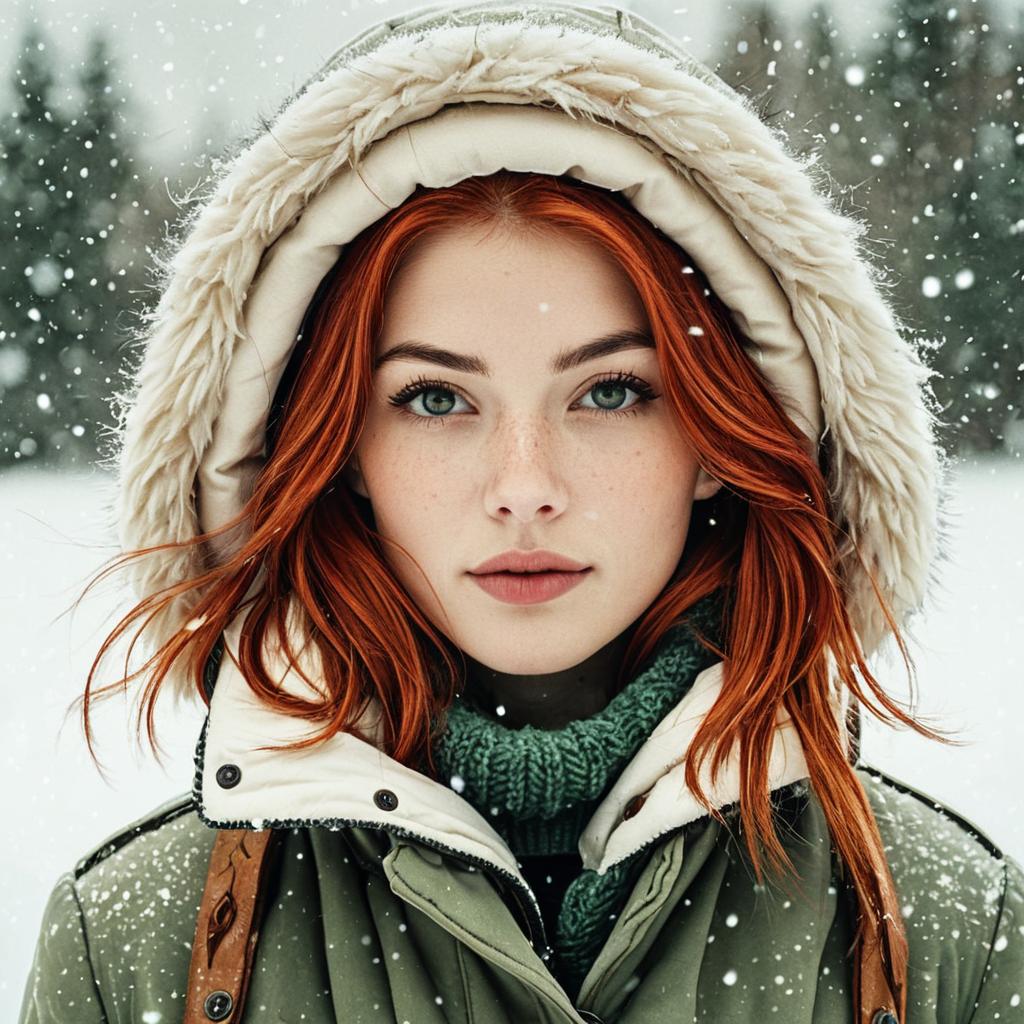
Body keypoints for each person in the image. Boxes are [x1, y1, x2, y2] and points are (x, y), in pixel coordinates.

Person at [19, 3, 1023, 1023]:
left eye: (610, 390)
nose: (524, 484)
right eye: (434, 398)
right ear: (340, 451)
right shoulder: (141, 944)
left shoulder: (944, 931)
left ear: (719, 436)